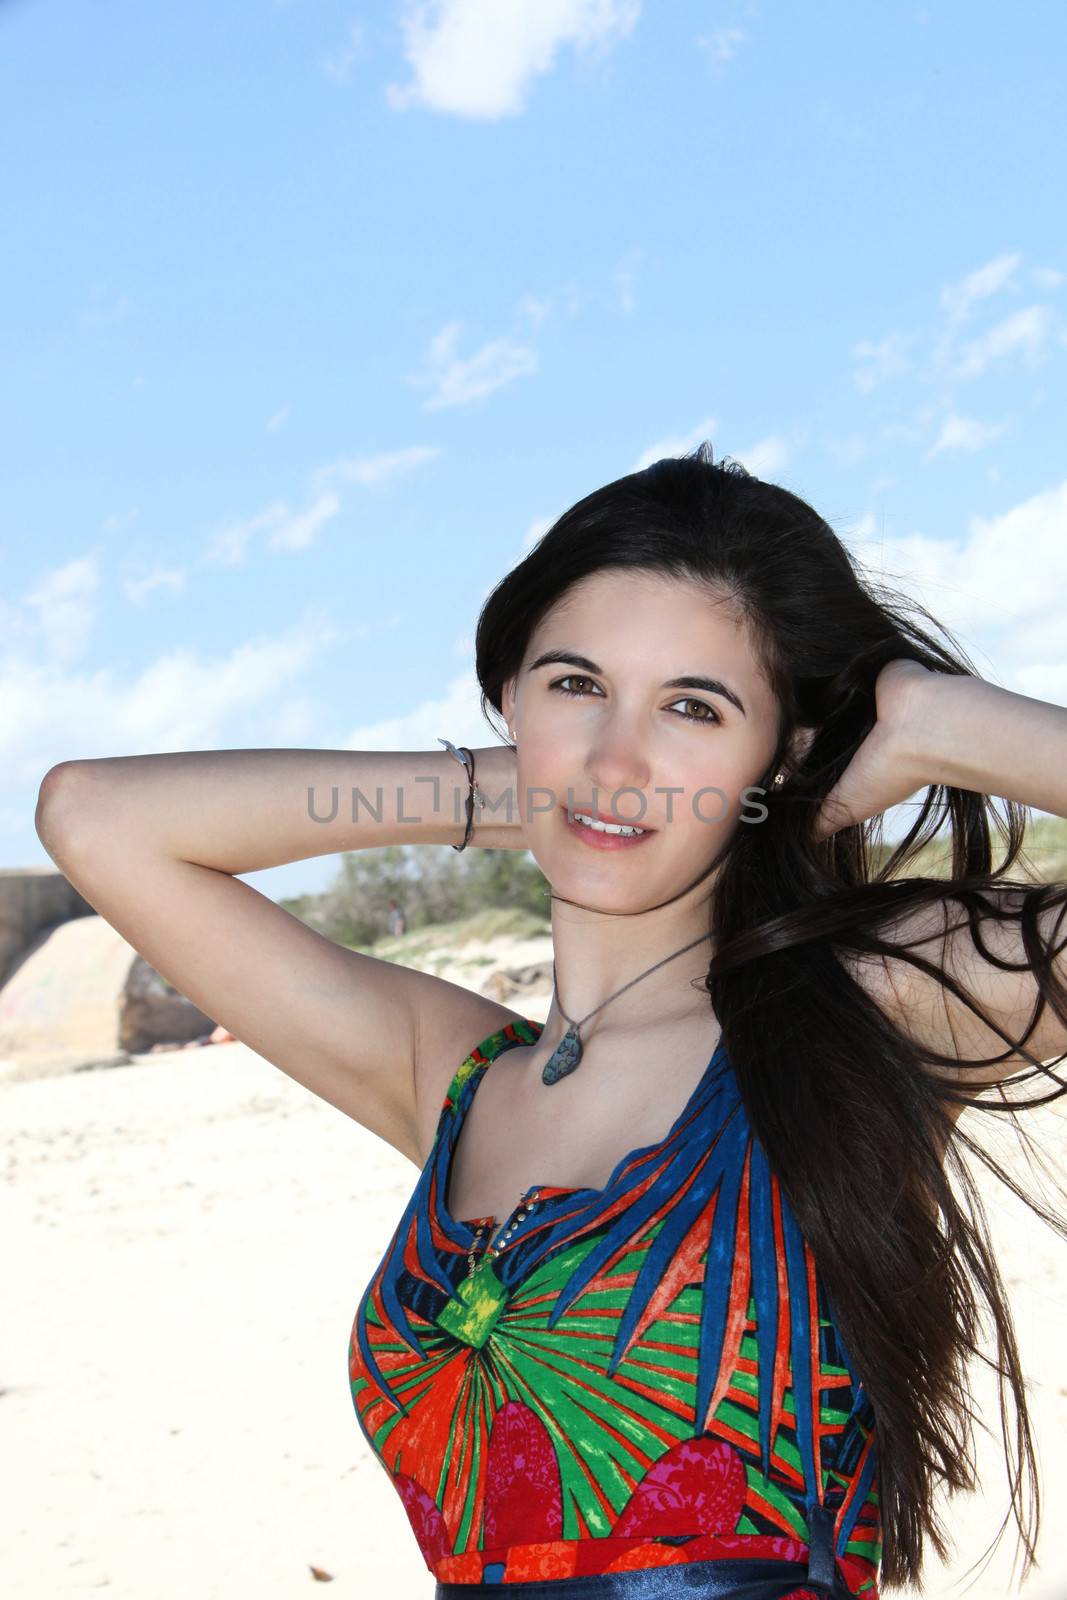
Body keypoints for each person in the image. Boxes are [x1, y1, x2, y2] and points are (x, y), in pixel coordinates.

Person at [35, 443, 1067, 1599]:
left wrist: (946, 723)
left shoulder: (876, 999)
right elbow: (96, 816)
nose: (618, 759)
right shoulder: (453, 1073)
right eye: (574, 685)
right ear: (507, 698)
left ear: (784, 753)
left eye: (692, 707)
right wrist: (508, 789)